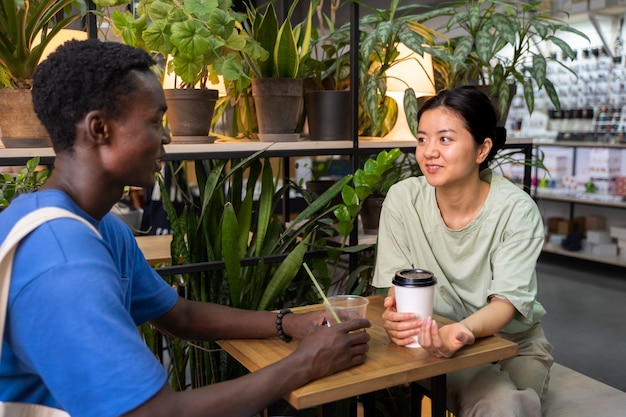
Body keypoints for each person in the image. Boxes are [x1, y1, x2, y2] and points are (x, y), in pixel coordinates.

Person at [0, 39, 370, 417]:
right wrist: (305, 363)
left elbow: (180, 316)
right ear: (99, 129)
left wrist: (288, 322)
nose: (166, 137)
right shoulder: (64, 261)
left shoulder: (98, 228)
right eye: (154, 121)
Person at [372, 87, 553, 416]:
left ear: (482, 149)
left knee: (508, 405)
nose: (429, 152)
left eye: (445, 139)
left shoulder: (516, 210)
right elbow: (397, 289)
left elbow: (506, 304)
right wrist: (396, 316)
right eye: (423, 139)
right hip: (438, 335)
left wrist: (465, 330)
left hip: (511, 342)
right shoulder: (402, 200)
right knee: (502, 404)